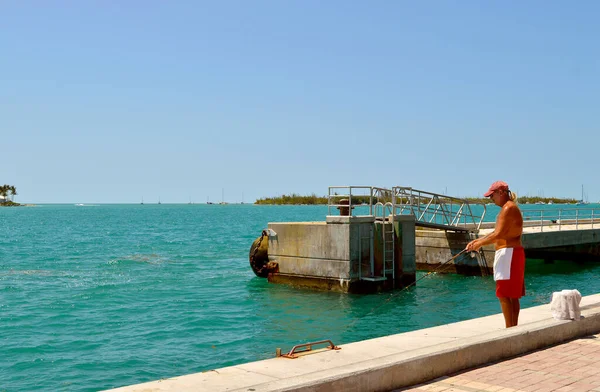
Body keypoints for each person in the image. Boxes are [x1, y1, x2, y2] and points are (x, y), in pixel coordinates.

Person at [466, 181, 524, 328]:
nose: (490, 198)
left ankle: (509, 329)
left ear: (501, 192)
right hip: (511, 254)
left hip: (508, 254)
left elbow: (498, 234)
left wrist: (479, 244)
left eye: (492, 195)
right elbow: (498, 232)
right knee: (512, 295)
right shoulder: (509, 208)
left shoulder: (508, 208)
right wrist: (478, 241)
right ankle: (513, 328)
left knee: (504, 294)